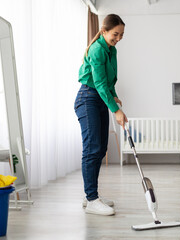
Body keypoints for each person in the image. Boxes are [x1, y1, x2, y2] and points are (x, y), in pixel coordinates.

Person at [74, 14, 127, 216]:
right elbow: (98, 83)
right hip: (87, 98)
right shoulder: (97, 49)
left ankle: (92, 196)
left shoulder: (111, 50)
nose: (118, 38)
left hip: (99, 99)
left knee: (100, 148)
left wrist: (114, 97)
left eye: (121, 34)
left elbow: (109, 80)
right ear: (104, 31)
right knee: (92, 148)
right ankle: (91, 199)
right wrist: (116, 110)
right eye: (115, 34)